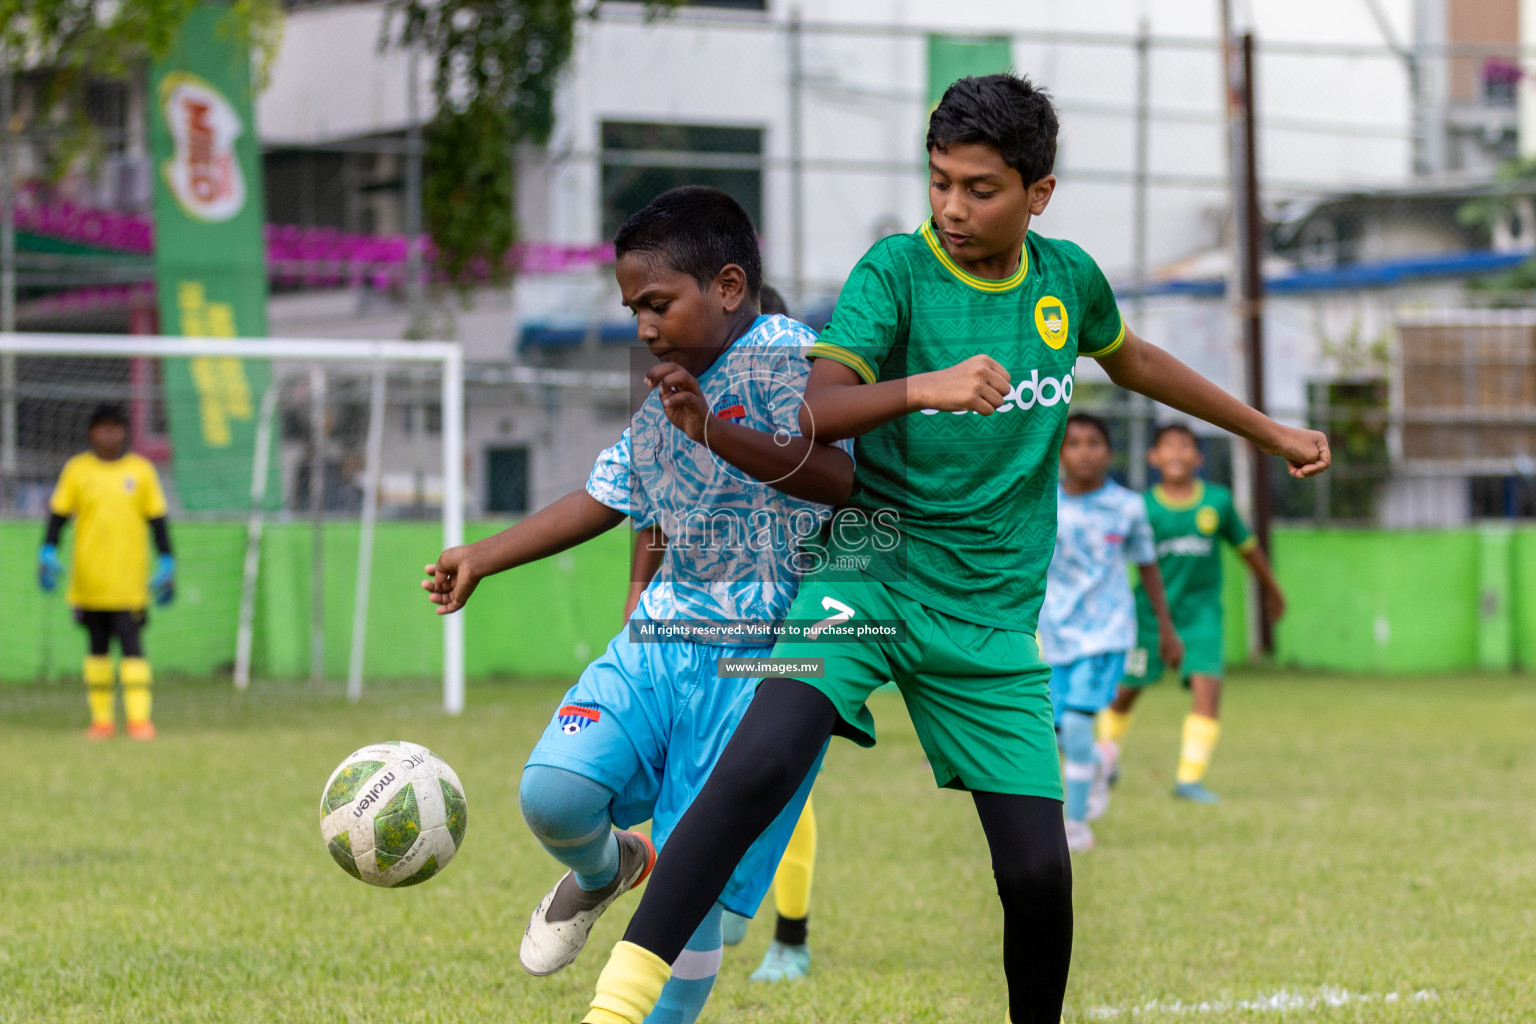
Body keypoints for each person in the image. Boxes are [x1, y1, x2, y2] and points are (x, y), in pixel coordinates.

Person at [574, 73, 1328, 1024]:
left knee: (1038, 872)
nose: (952, 207)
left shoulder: (1068, 284)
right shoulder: (895, 271)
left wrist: (1271, 433)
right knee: (760, 760)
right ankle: (616, 1007)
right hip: (868, 570)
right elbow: (812, 411)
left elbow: (1136, 360)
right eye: (940, 182)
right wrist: (922, 385)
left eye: (979, 188)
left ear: (1036, 194)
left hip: (991, 613)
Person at [421, 187, 853, 1024]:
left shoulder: (793, 358)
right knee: (552, 791)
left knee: (697, 904)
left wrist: (715, 432)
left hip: (762, 663)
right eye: (633, 310)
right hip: (663, 638)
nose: (644, 327)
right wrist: (484, 557)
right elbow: (607, 495)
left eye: (657, 304)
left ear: (729, 287)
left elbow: (842, 478)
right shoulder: (669, 386)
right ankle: (605, 869)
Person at [711, 281, 820, 985]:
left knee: (781, 780)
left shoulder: (815, 426)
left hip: (795, 629)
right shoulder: (706, 411)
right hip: (711, 631)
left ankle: (790, 937)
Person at [1098, 423, 1286, 804]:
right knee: (1125, 694)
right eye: (1168, 447)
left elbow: (1246, 548)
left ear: (1198, 458)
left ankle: (1189, 779)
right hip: (1148, 616)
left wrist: (1272, 588)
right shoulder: (1142, 508)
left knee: (1208, 689)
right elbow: (1112, 559)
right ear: (1153, 457)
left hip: (1201, 616)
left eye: (1185, 447)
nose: (1177, 454)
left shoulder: (1216, 502)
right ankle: (1105, 759)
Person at [1038, 412, 1180, 854]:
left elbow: (1148, 567)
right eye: (1074, 442)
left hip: (1107, 634)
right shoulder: (1042, 503)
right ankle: (1100, 761)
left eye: (1094, 442)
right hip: (1054, 634)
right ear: (1060, 452)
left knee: (1078, 724)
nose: (1084, 451)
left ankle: (1075, 826)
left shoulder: (1127, 507)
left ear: (1109, 452)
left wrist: (1166, 628)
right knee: (1059, 729)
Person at [39, 404, 175, 741]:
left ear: (124, 431)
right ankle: (101, 721)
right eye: (101, 427)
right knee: (96, 649)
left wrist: (167, 561)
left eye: (114, 427)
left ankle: (139, 720)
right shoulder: (77, 470)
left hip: (129, 584)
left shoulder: (140, 471)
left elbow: (157, 521)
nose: (108, 433)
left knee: (133, 648)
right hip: (88, 583)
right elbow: (58, 516)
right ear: (91, 432)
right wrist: (48, 551)